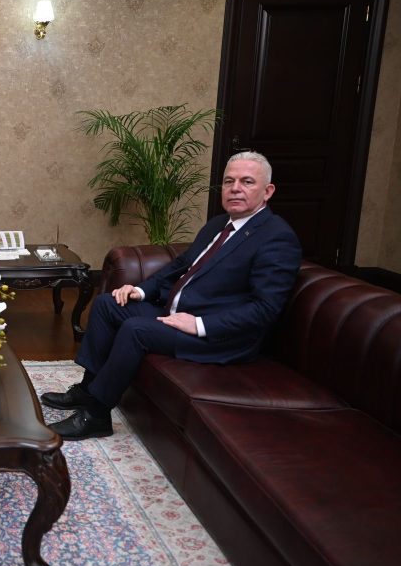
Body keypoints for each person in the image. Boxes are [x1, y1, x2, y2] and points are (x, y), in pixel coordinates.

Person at [42, 151, 302, 440]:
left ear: (268, 191)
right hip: (176, 314)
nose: (235, 188)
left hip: (219, 336)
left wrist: (199, 324)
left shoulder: (277, 238)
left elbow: (265, 308)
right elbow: (180, 265)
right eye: (229, 181)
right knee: (107, 304)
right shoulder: (219, 224)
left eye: (247, 181)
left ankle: (96, 415)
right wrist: (140, 290)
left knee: (135, 329)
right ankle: (87, 390)